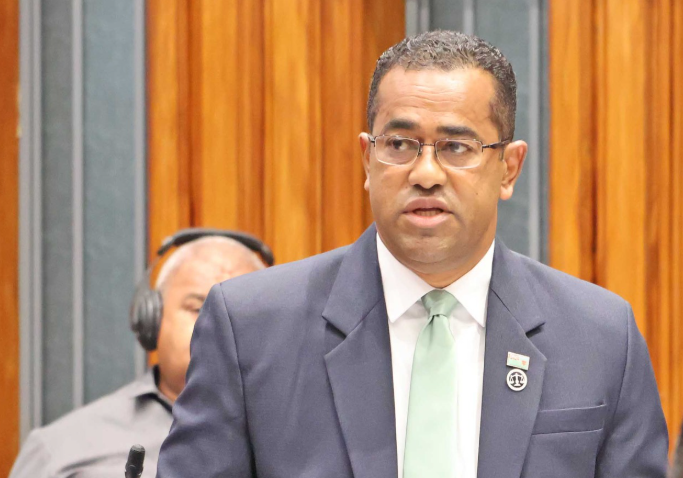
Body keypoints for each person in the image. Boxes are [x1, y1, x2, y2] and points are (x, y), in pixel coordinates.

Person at [157, 31, 668, 478]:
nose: (425, 173)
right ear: (367, 158)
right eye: (400, 145)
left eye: (457, 147)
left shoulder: (601, 338)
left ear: (509, 169)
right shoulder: (251, 329)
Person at [9, 232, 267, 478]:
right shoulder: (60, 451)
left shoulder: (288, 438)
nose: (220, 327)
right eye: (198, 308)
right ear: (152, 319)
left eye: (241, 315)